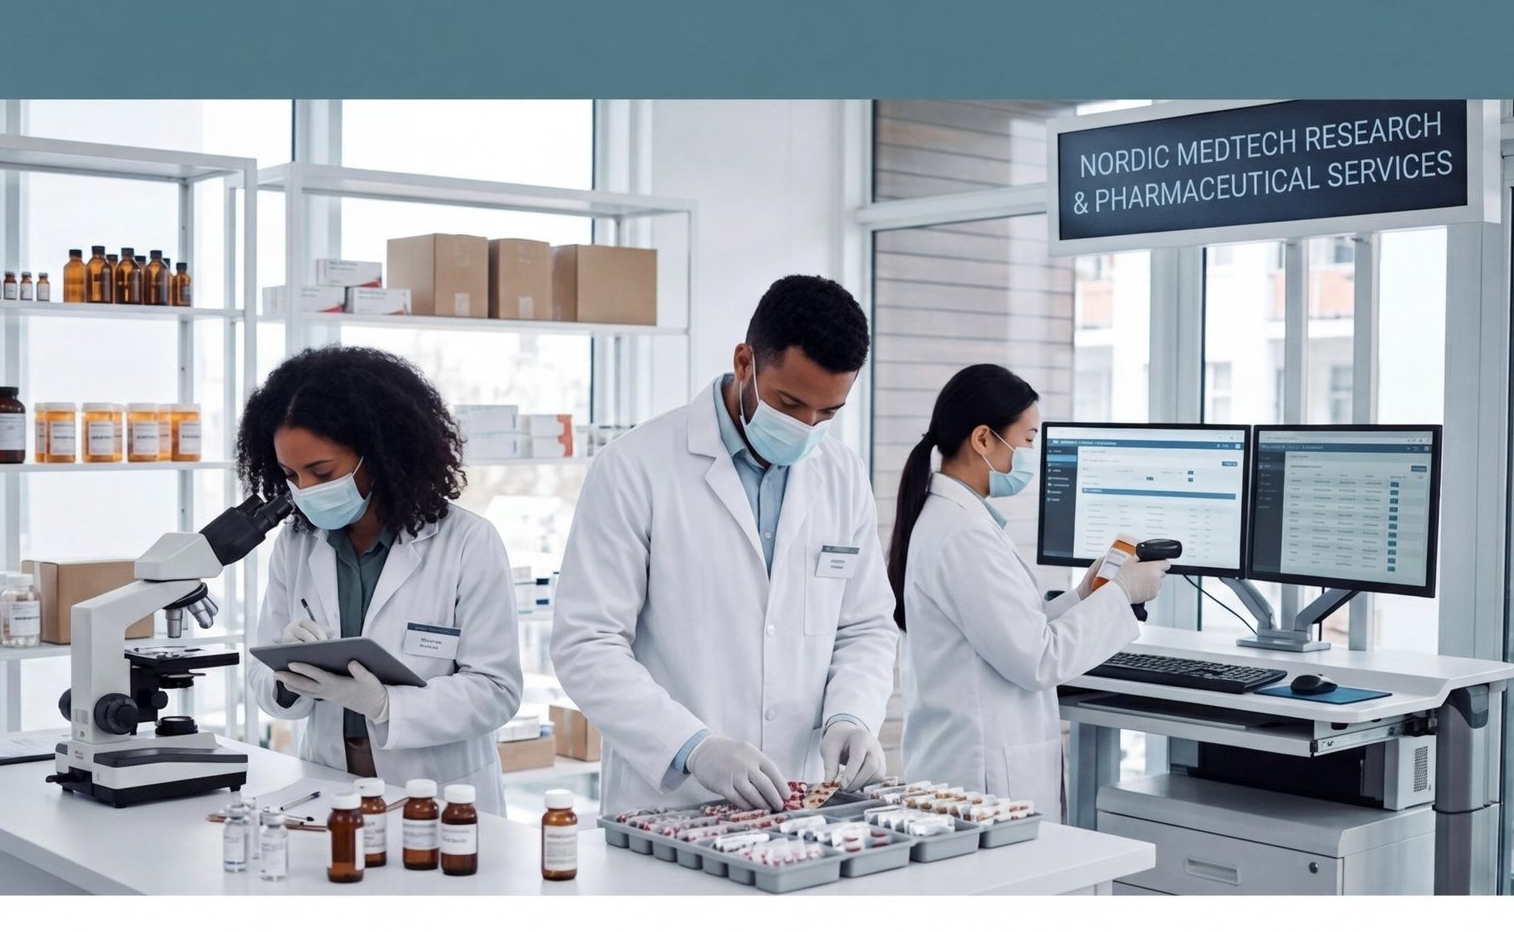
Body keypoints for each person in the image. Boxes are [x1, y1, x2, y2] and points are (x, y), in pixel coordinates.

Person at [553, 275, 900, 813]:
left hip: (798, 799)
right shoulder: (635, 467)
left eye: (827, 413)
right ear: (745, 363)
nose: (807, 426)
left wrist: (852, 715)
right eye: (789, 403)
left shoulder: (842, 475)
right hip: (671, 802)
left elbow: (866, 626)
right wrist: (694, 747)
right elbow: (587, 644)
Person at [240, 346, 523, 814]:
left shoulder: (467, 542)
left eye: (322, 471)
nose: (306, 490)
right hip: (326, 782)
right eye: (291, 475)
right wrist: (286, 680)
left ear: (382, 450)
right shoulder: (297, 544)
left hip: (436, 789)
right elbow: (261, 671)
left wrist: (386, 704)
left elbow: (496, 691)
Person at [888, 364, 1169, 815]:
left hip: (972, 768)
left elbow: (1014, 631)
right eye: (1029, 439)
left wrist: (1084, 594)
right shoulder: (962, 534)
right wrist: (1121, 594)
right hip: (980, 781)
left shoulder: (956, 520)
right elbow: (1036, 659)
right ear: (983, 439)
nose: (1031, 453)